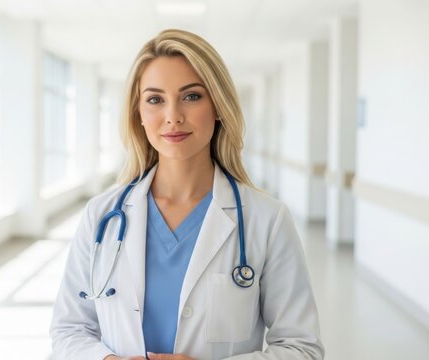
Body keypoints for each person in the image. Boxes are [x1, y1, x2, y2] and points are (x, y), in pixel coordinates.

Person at [50, 29, 324, 360]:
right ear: (138, 113)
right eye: (155, 99)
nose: (173, 116)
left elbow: (302, 348)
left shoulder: (266, 219)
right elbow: (69, 331)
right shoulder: (102, 216)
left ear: (218, 105)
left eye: (191, 96)